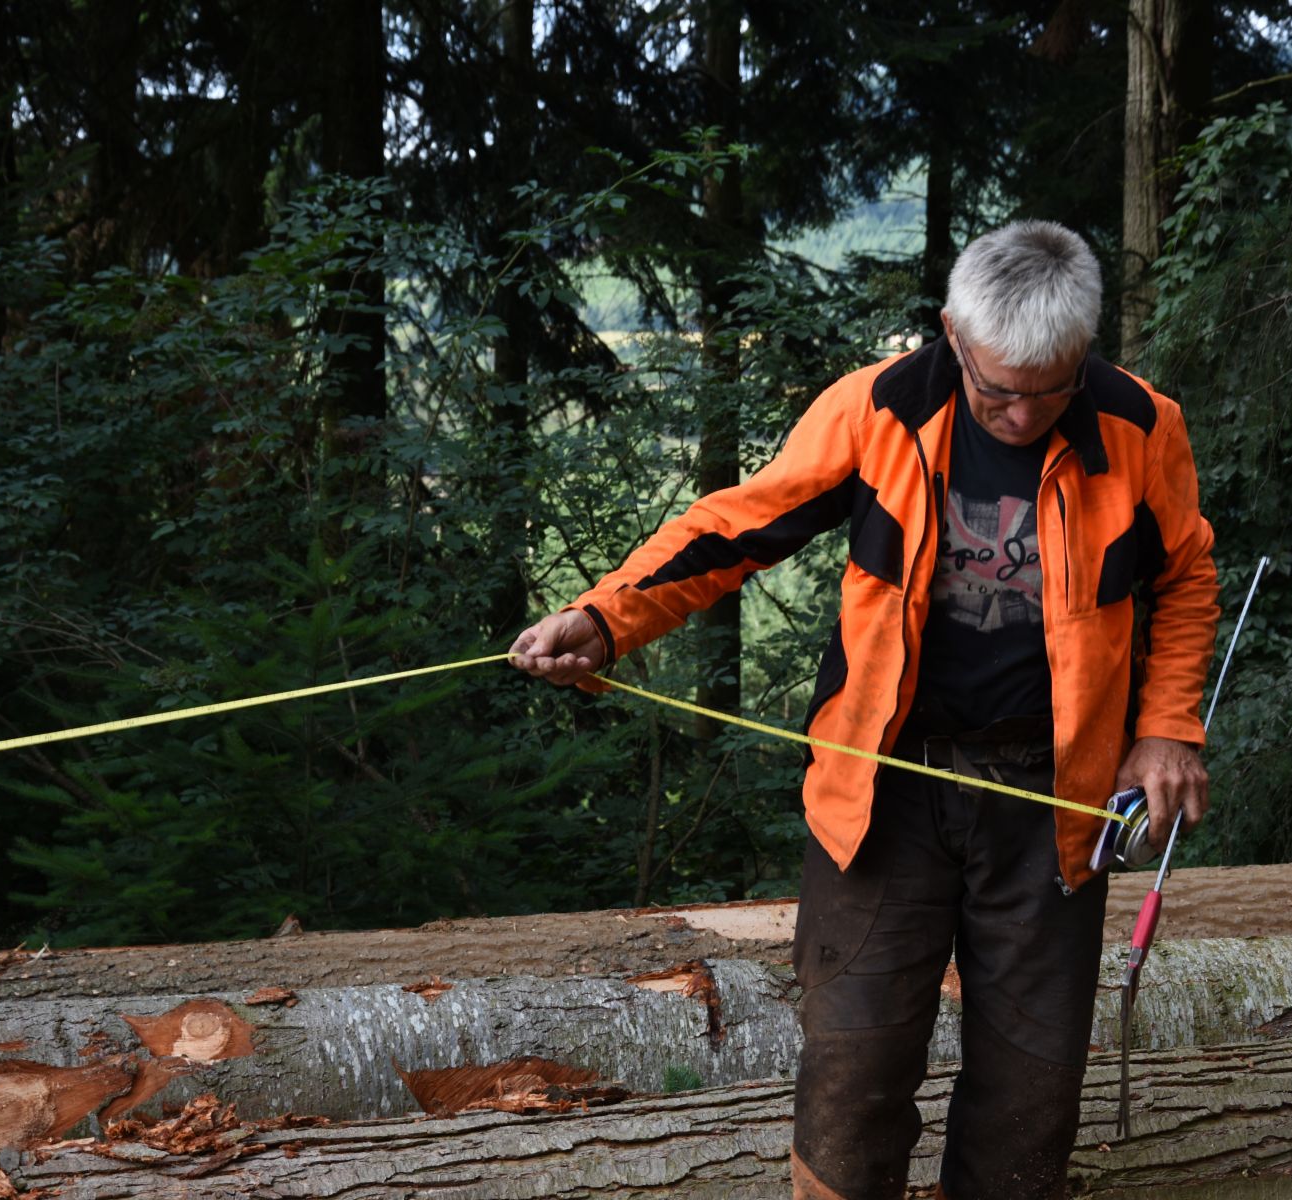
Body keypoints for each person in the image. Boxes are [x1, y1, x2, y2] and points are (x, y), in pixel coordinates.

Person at [509, 220, 1218, 1200]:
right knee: (854, 1067)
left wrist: (1167, 726)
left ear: (1083, 355)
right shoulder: (879, 410)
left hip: (1056, 802)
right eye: (998, 390)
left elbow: (1184, 576)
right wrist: (604, 618)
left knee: (1032, 1089)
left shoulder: (1139, 426)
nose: (1020, 415)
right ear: (953, 337)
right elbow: (737, 527)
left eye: (1048, 391)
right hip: (883, 794)